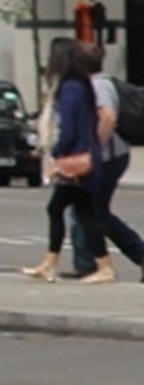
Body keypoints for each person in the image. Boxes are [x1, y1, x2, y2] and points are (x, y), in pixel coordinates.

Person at [76, 46, 144, 284]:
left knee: (91, 211)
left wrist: (93, 150)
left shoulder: (98, 86)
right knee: (89, 209)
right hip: (112, 155)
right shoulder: (98, 84)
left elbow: (108, 117)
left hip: (108, 157)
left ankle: (142, 252)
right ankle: (90, 262)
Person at [20, 38, 84, 282]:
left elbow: (69, 128)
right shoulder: (78, 85)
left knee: (57, 209)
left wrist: (58, 156)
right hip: (79, 157)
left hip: (73, 159)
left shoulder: (69, 88)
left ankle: (51, 263)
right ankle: (105, 263)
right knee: (87, 213)